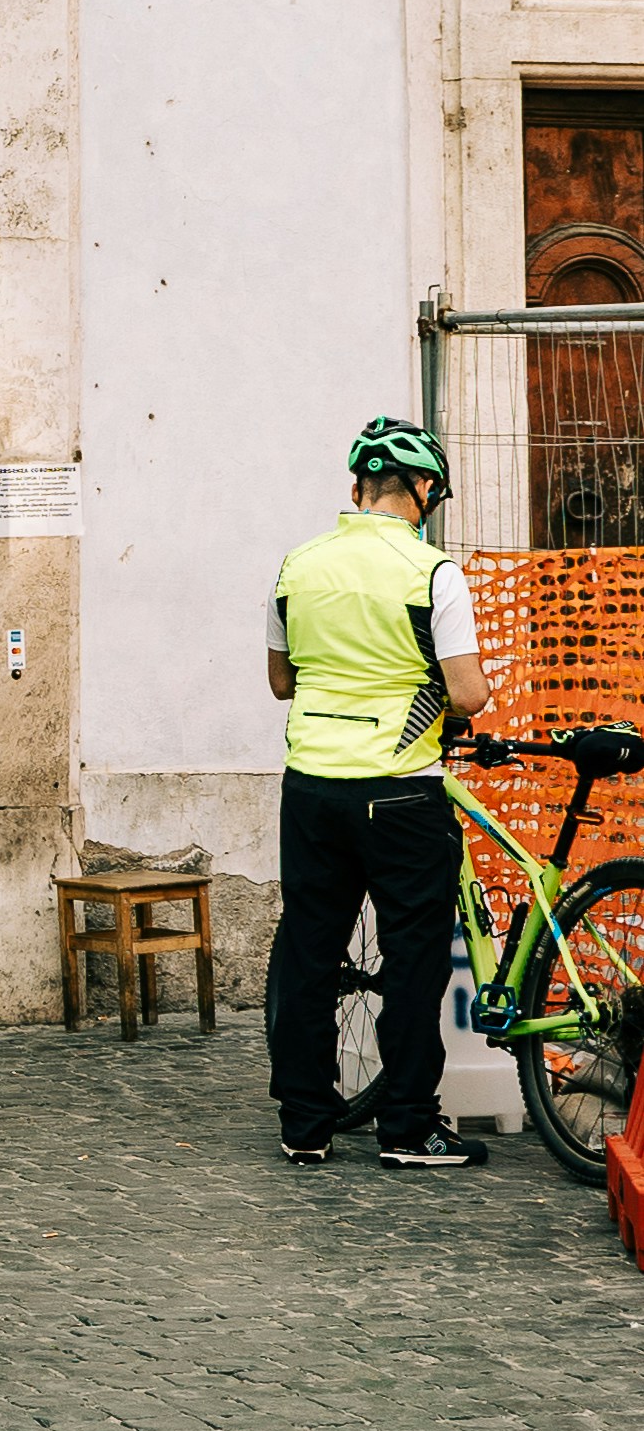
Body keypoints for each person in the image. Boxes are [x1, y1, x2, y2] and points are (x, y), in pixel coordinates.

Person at [264, 416, 487, 1172]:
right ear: (422, 490)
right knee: (413, 959)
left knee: (311, 951)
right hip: (401, 794)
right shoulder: (434, 573)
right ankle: (406, 1127)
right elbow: (469, 693)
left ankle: (305, 1123)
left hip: (313, 787)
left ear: (358, 487)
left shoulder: (297, 565)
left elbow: (281, 680)